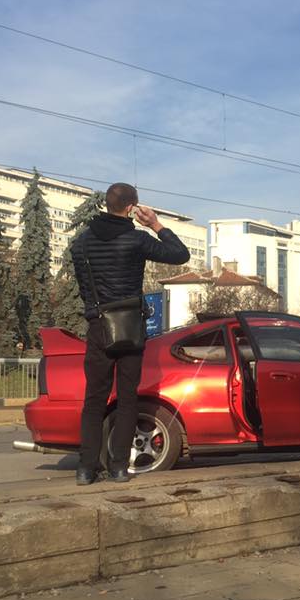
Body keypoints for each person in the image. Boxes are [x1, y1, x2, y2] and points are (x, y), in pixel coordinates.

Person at [70, 183, 190, 485]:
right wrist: (154, 223)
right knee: (127, 399)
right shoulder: (136, 240)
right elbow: (180, 254)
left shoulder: (81, 244)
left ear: (107, 205)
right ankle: (119, 467)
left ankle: (86, 469)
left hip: (98, 325)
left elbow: (85, 289)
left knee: (94, 399)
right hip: (129, 327)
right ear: (131, 208)